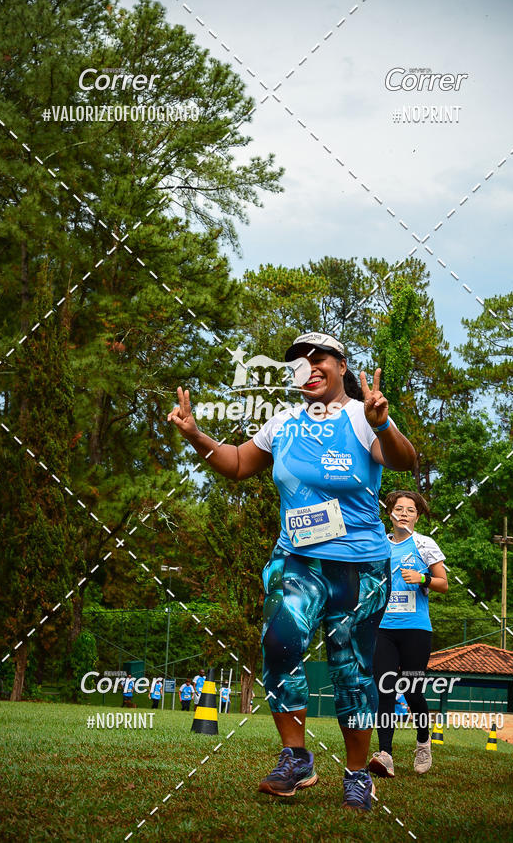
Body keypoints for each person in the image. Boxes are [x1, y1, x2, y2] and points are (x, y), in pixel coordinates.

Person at [168, 331, 416, 811]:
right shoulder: (282, 422)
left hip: (360, 566)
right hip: (297, 559)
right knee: (279, 643)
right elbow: (239, 464)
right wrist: (198, 435)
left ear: (342, 365)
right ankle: (296, 757)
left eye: (317, 356)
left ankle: (358, 775)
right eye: (298, 361)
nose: (307, 365)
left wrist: (383, 425)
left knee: (353, 670)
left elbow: (406, 461)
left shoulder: (363, 416)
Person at [369, 491, 448, 779]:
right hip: (383, 629)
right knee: (385, 689)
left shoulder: (424, 544)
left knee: (413, 690)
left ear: (417, 516)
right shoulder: (379, 544)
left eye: (410, 510)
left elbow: (443, 583)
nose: (403, 514)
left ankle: (423, 741)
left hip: (415, 629)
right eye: (398, 509)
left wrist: (422, 578)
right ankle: (385, 754)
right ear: (389, 513)